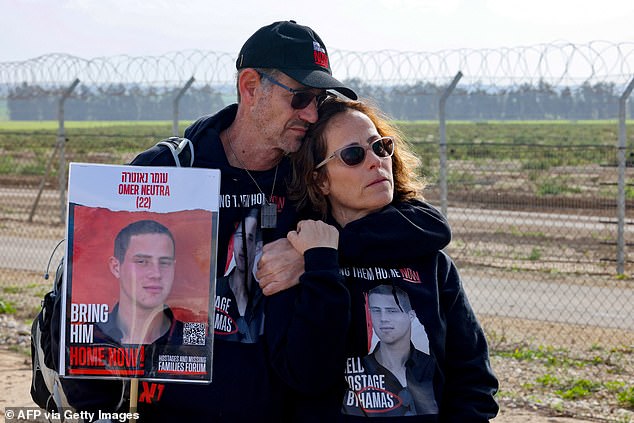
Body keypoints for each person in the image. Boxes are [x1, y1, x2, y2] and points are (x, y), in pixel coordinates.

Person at [286, 96, 499, 421]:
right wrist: (322, 267)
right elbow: (308, 377)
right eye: (353, 155)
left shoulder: (431, 262)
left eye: (381, 147)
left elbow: (473, 378)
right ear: (320, 180)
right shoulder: (303, 260)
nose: (375, 161)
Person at [350, 285, 438, 416]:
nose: (383, 319)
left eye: (392, 311)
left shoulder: (432, 367)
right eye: (376, 310)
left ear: (411, 316)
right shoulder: (358, 370)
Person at [99, 219, 182, 346]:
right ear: (116, 267)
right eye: (142, 261)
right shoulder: (92, 335)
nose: (156, 274)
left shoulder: (195, 340)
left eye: (164, 263)